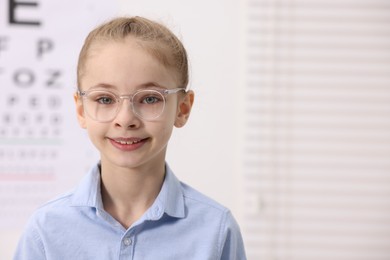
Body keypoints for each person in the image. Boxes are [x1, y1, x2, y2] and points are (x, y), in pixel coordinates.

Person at [14, 16, 246, 259]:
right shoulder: (45, 231)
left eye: (149, 98)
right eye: (105, 99)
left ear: (182, 108)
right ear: (81, 110)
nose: (125, 119)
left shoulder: (216, 230)